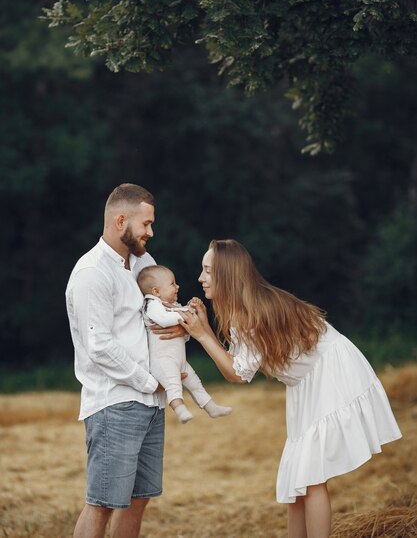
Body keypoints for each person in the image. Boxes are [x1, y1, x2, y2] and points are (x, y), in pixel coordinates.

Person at [171, 239, 402, 538]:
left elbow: (238, 376)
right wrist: (204, 328)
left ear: (227, 275)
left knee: (312, 475)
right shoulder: (248, 304)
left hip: (330, 373)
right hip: (307, 382)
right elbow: (237, 364)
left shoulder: (249, 313)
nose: (200, 278)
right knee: (300, 477)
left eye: (207, 271)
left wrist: (203, 336)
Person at [65, 184, 185, 538]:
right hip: (114, 402)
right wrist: (151, 381)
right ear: (121, 221)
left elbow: (155, 315)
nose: (151, 232)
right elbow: (99, 346)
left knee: (138, 499)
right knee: (101, 502)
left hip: (150, 402)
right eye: (146, 224)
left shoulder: (144, 264)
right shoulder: (92, 273)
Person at [138, 264, 232, 424]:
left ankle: (211, 407)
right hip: (163, 360)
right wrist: (185, 315)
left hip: (179, 359)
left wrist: (192, 308)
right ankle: (180, 410)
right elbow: (165, 320)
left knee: (195, 383)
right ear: (156, 291)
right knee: (173, 385)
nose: (177, 286)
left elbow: (187, 318)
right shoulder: (152, 305)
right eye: (172, 283)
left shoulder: (171, 306)